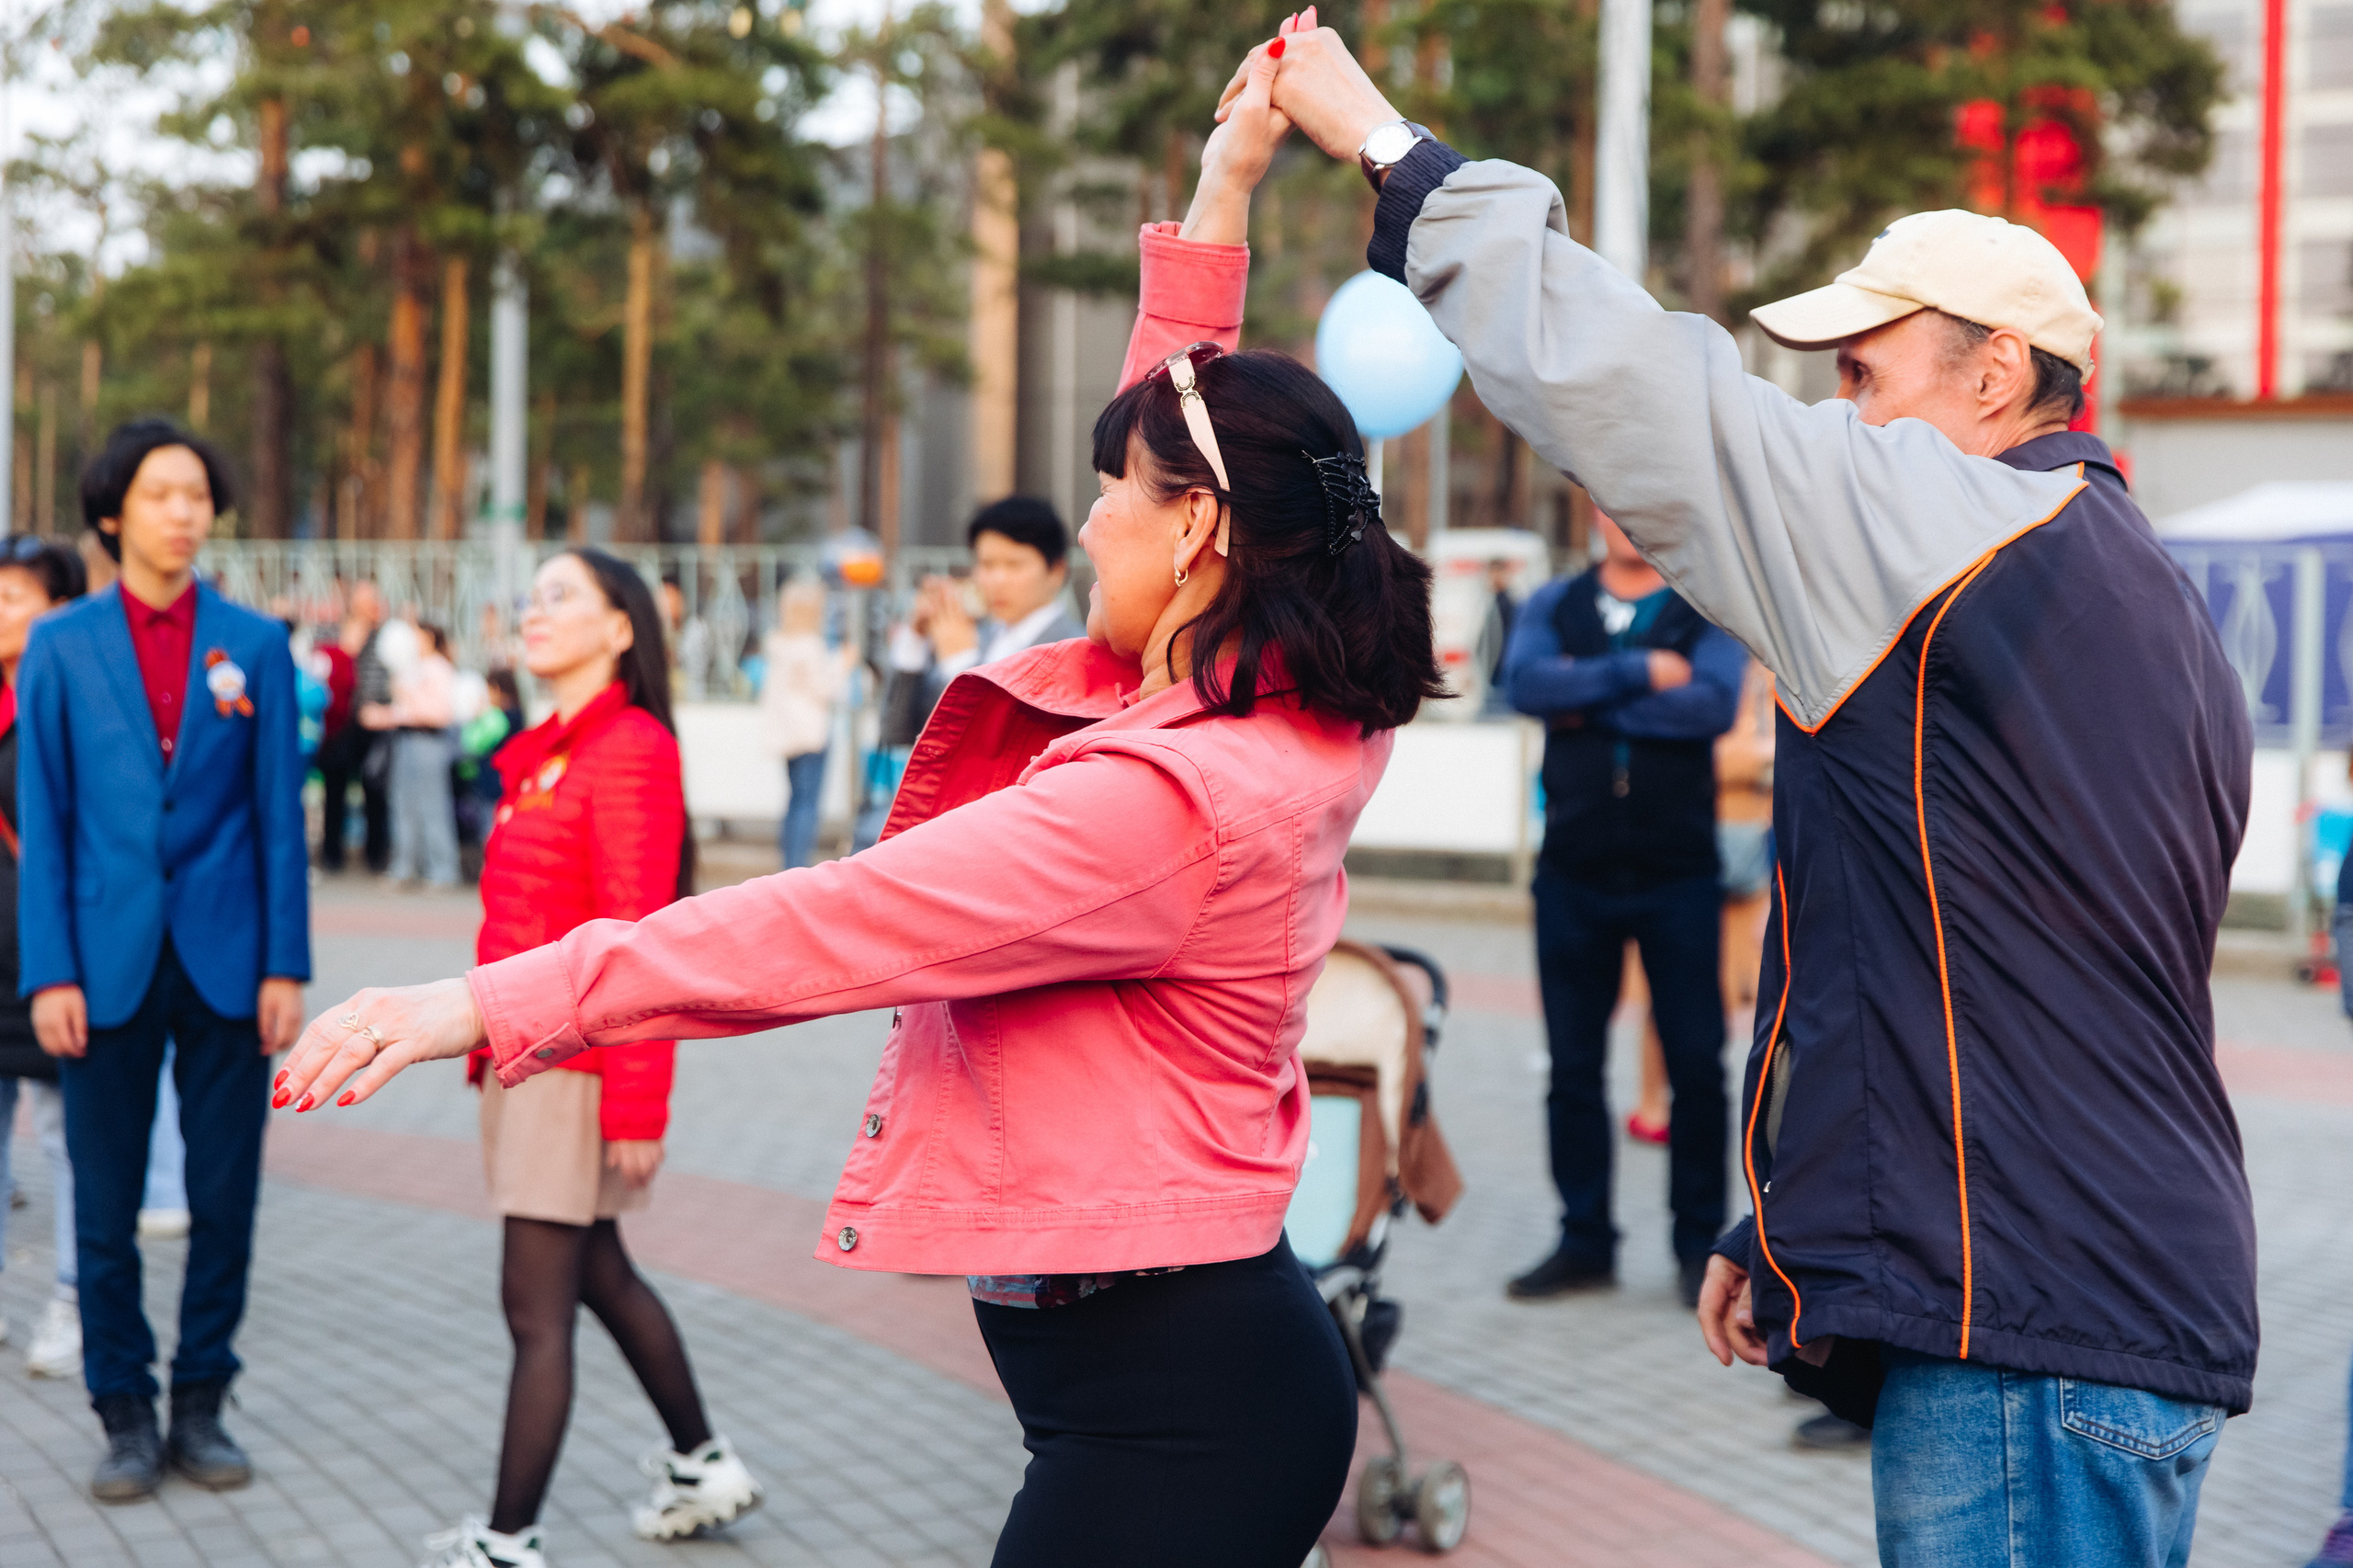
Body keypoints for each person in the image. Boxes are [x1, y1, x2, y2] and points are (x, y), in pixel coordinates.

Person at [273, 34, 1440, 1566]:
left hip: (1175, 1413)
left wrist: (478, 1003)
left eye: (1114, 493)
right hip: (1188, 1372)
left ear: (1200, 533)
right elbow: (1189, 435)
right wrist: (1222, 190)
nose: (1089, 519)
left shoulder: (1164, 800)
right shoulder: (1276, 704)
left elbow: (822, 924)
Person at [1245, 29, 2254, 1564]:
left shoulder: (1952, 528)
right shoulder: (2150, 595)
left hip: (2027, 1316)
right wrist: (1792, 1221)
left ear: (1997, 374)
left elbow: (1645, 390)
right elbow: (1957, 954)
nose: (1836, 417)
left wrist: (1390, 149)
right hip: (2106, 1287)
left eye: (1863, 374)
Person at [374, 547, 752, 1568]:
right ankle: (702, 1461)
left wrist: (638, 1109)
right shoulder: (547, 750)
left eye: (560, 597)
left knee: (535, 1311)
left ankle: (508, 1540)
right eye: (530, 595)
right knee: (599, 1273)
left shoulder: (629, 749)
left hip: (573, 1069)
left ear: (620, 628)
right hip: (525, 1058)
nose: (532, 612)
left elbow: (642, 943)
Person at [19, 418, 311, 1501]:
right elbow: (48, 820)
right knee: (103, 1206)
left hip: (232, 958)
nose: (184, 512)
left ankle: (201, 1403)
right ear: (112, 513)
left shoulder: (256, 643)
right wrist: (51, 971)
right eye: (160, 494)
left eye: (197, 494)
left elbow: (279, 816)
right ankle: (126, 1414)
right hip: (102, 963)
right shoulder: (61, 646)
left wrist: (286, 962)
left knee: (225, 1197)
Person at [1501, 512, 1742, 1307]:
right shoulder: (1553, 603)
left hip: (1679, 873)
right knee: (1573, 1068)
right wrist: (1643, 672)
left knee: (1697, 1066)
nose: (1622, 516)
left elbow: (1711, 707)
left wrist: (1586, 692)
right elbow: (1526, 686)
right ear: (1591, 511)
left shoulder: (1703, 605)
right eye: (1606, 501)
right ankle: (1585, 1241)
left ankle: (1698, 1244)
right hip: (1574, 872)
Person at [0, 535, 87, 1381]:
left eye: (10, 598)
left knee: (69, 1141)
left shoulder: (75, 704)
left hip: (54, 961)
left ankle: (73, 1298)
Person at [882, 495, 1085, 744]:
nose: (998, 580)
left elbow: (1005, 746)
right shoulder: (978, 637)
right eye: (987, 565)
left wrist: (961, 663)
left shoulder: (1075, 651)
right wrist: (914, 638)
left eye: (1014, 565)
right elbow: (898, 732)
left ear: (1056, 571)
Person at [757, 576, 855, 869]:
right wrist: (843, 663)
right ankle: (797, 866)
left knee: (794, 801)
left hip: (788, 736)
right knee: (807, 805)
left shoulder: (779, 646)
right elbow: (825, 688)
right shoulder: (810, 647)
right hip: (811, 735)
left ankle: (789, 863)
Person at [371, 622, 460, 890]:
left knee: (432, 807)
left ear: (430, 637)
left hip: (429, 741)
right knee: (402, 805)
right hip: (405, 739)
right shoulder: (411, 667)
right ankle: (405, 867)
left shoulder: (440, 668)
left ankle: (443, 870)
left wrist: (406, 695)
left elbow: (440, 713)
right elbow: (402, 709)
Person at [318, 582, 392, 873]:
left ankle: (375, 853)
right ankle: (331, 853)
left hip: (373, 723)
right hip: (340, 723)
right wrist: (348, 648)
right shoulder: (334, 632)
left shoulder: (387, 637)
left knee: (375, 790)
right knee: (334, 790)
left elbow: (391, 677)